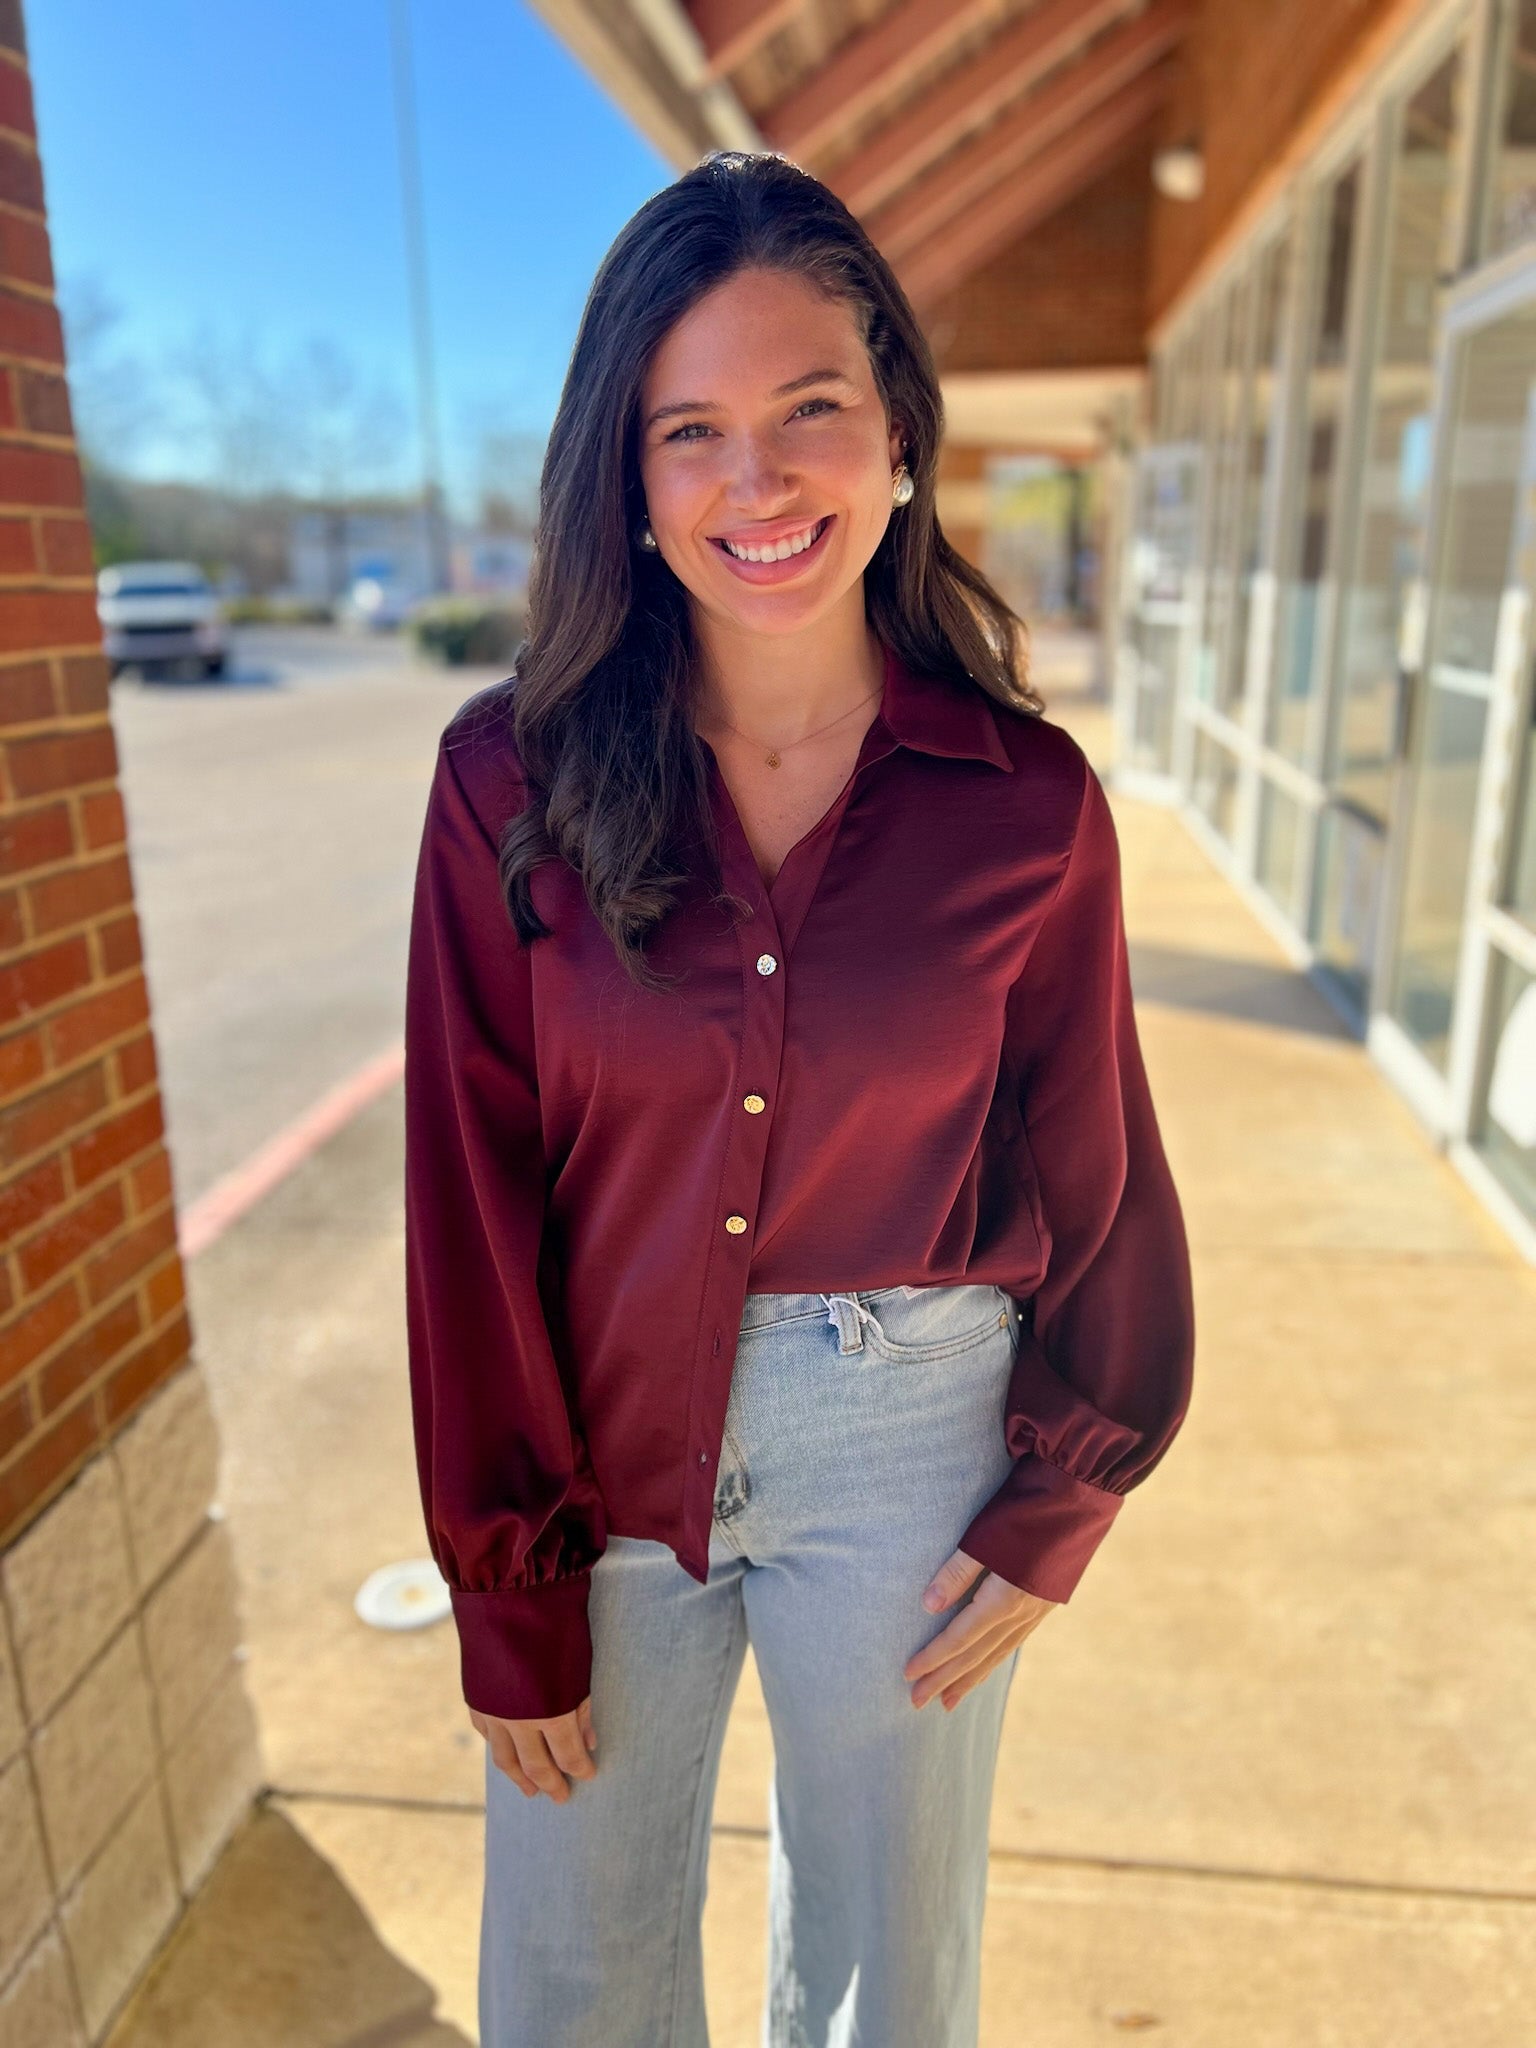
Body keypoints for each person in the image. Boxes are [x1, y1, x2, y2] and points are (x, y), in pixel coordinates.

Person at [402, 149, 1195, 2048]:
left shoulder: (1026, 805)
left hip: (907, 1432)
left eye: (810, 410)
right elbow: (468, 1194)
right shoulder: (504, 784)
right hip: (592, 1447)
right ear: (631, 479)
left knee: (886, 1989)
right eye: (691, 432)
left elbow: (1093, 1167)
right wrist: (503, 1577)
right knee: (570, 1983)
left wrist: (1059, 1499)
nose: (756, 483)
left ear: (900, 436)